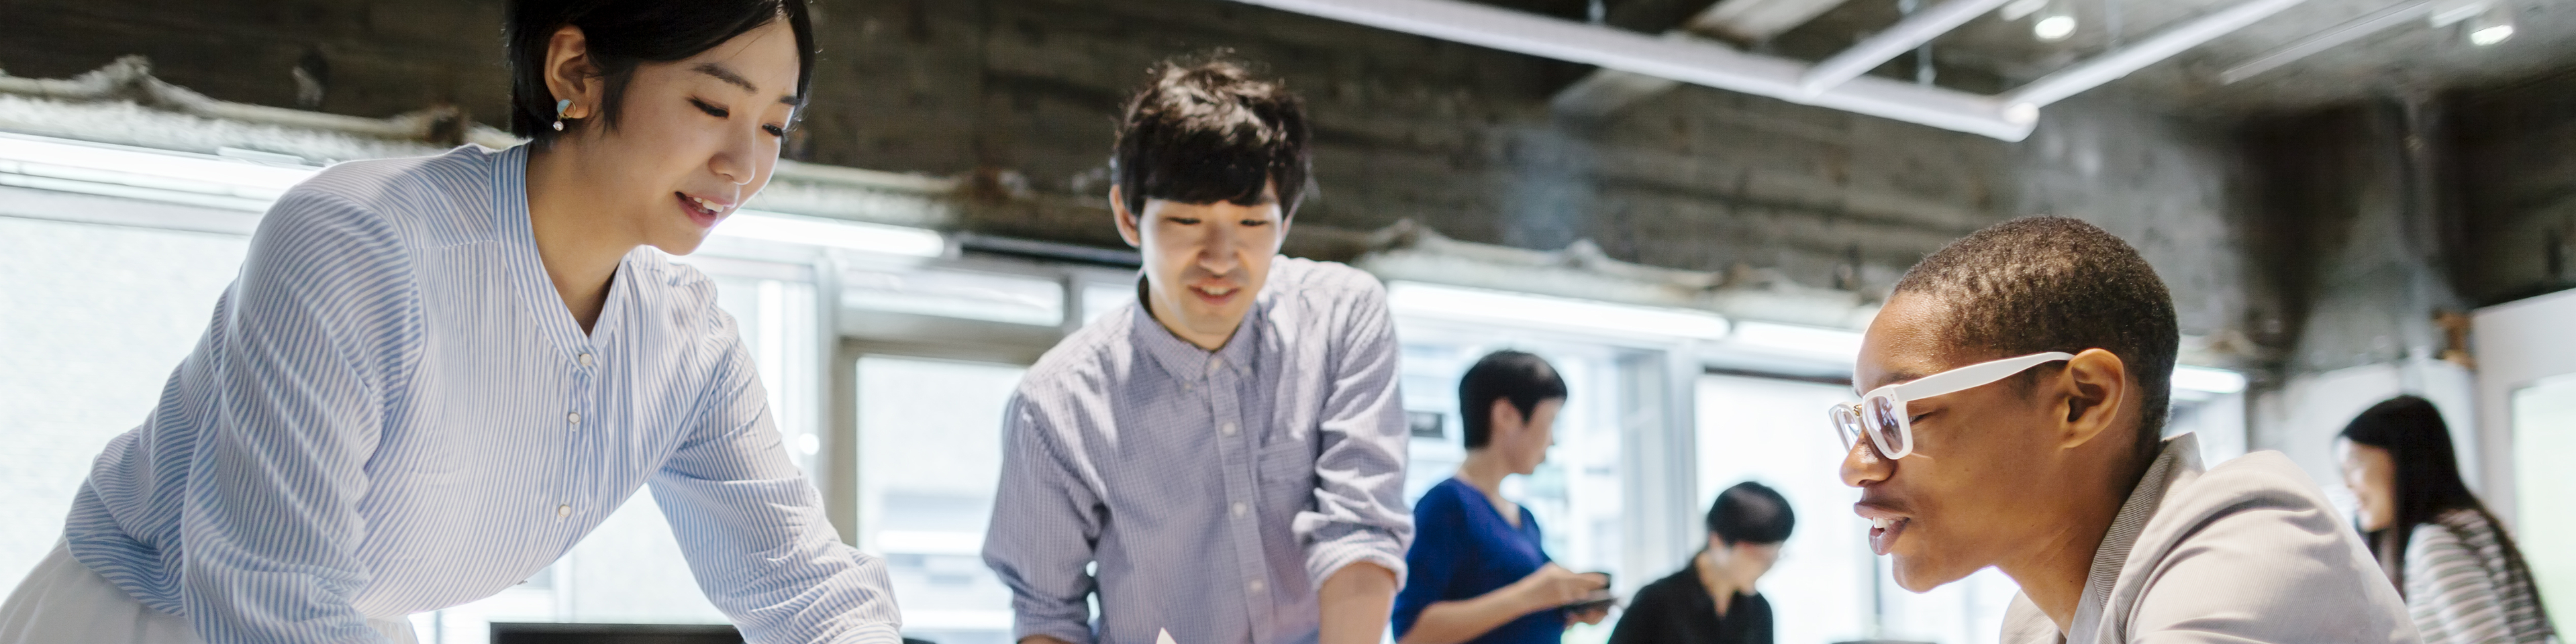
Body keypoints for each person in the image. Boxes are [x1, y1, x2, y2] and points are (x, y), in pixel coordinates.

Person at [0, 1, 906, 643]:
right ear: (576, 73)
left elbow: (805, 588)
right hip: (147, 623)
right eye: (712, 106)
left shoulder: (688, 347)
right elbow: (268, 589)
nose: (743, 163)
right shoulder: (359, 244)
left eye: (777, 129)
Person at [980, 55, 1411, 644]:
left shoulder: (1341, 318)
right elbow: (1047, 614)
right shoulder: (1056, 404)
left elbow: (1360, 527)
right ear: (1128, 217)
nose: (1220, 258)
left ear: (1285, 223)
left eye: (1252, 224)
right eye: (1186, 221)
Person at [1834, 216, 2416, 644]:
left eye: (1898, 415)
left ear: (2081, 402)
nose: (1856, 465)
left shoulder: (2248, 545)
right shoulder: (2038, 623)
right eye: (1860, 421)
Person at [1393, 351, 1609, 644]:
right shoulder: (1447, 505)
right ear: (1506, 415)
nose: (1552, 440)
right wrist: (1530, 596)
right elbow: (1411, 634)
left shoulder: (1525, 518)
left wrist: (1566, 611)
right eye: (1550, 422)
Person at [2340, 395, 2557, 644]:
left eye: (2353, 465)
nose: (2347, 485)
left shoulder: (2436, 542)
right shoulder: (2472, 526)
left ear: (2402, 460)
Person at [1607, 482, 1792, 644]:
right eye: (1760, 557)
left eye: (1776, 555)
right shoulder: (1657, 603)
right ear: (1718, 541)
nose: (1769, 567)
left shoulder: (1759, 610)